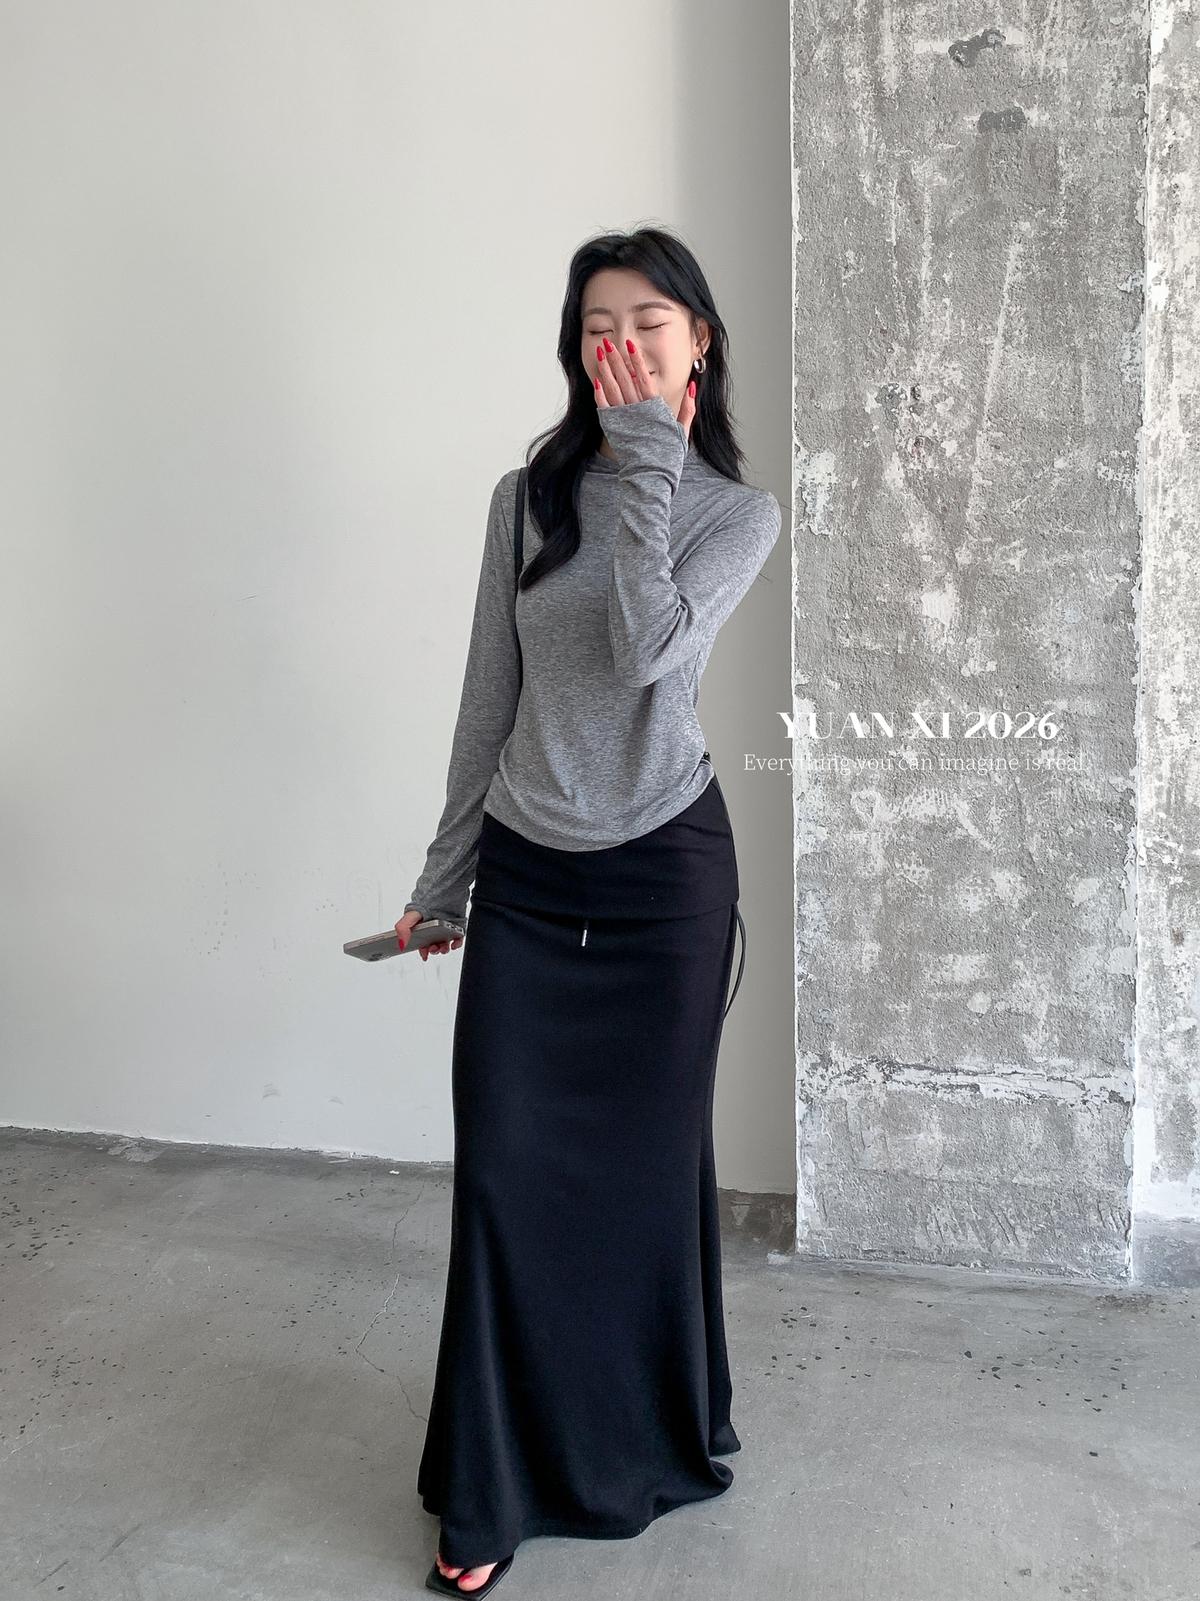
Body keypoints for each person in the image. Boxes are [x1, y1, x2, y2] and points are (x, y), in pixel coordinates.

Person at [396, 225, 781, 1597]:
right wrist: (443, 876)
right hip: (528, 869)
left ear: (699, 341)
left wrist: (649, 465)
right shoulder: (527, 498)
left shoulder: (734, 513)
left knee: (643, 1181)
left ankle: (653, 1428)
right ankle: (491, 1483)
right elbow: (486, 699)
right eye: (596, 328)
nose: (618, 348)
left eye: (647, 324)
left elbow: (646, 653)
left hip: (665, 882)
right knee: (505, 1175)